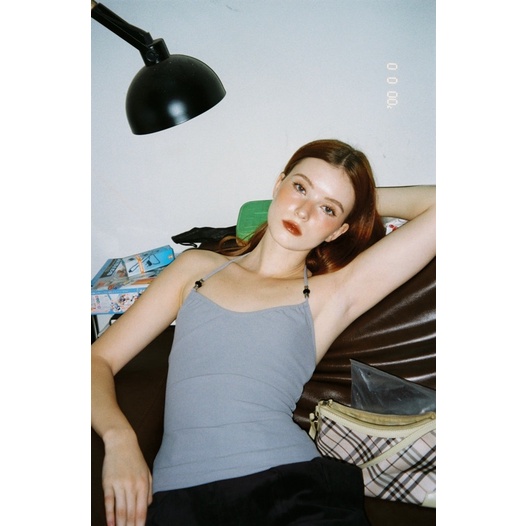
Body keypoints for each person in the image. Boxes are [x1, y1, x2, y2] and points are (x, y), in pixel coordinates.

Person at [92, 139, 436, 526]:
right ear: (278, 184)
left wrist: (362, 200)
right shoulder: (196, 268)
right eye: (300, 188)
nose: (303, 211)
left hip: (292, 492)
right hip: (181, 501)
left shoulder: (331, 294)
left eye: (327, 208)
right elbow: (97, 359)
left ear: (337, 231)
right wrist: (119, 439)